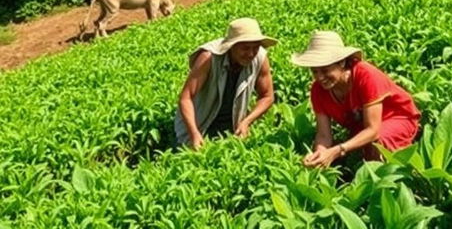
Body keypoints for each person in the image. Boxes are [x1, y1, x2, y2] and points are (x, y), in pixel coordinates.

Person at [291, 31, 420, 168]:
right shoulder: (318, 90)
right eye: (314, 71)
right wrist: (319, 154)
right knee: (354, 152)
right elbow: (324, 135)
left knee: (377, 143)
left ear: (341, 63)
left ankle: (385, 182)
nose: (320, 77)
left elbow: (373, 130)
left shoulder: (365, 75)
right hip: (362, 125)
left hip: (396, 117)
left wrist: (337, 150)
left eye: (325, 70)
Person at [175, 17, 277, 149]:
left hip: (231, 127)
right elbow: (185, 97)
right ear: (231, 46)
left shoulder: (260, 57)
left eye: (255, 48)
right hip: (199, 123)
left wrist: (247, 121)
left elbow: (267, 96)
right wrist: (194, 133)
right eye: (245, 48)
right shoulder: (208, 58)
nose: (251, 54)